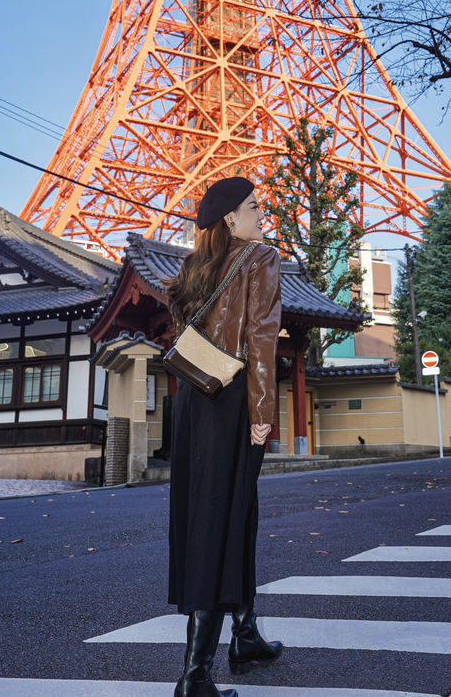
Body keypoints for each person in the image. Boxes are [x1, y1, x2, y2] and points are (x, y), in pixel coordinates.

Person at [162, 176, 284, 697]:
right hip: (235, 399)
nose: (263, 214)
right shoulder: (260, 259)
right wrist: (262, 410)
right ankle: (195, 675)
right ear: (231, 218)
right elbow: (260, 339)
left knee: (223, 514)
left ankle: (246, 633)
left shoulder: (193, 267)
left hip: (193, 400)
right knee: (223, 519)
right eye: (255, 207)